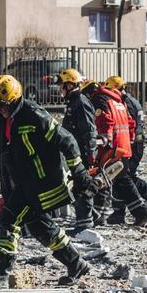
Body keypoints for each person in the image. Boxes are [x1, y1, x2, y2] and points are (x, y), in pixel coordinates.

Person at [0, 74, 94, 290]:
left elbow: (67, 140)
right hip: (24, 184)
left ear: (12, 100)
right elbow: (8, 155)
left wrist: (79, 171)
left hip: (41, 184)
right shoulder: (5, 118)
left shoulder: (33, 114)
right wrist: (7, 188)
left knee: (7, 222)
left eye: (0, 105)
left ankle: (1, 276)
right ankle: (76, 263)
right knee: (40, 226)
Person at [85, 80, 147, 226]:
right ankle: (138, 212)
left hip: (111, 148)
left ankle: (101, 215)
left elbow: (105, 121)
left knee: (104, 178)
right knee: (119, 180)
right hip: (124, 145)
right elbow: (130, 122)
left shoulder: (98, 100)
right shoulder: (117, 101)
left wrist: (104, 140)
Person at [103, 76, 147, 218]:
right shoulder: (131, 101)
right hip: (134, 144)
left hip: (131, 145)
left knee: (123, 178)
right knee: (122, 177)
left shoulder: (124, 102)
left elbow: (129, 126)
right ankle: (120, 211)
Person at [57, 68, 99, 233]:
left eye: (62, 86)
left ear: (69, 84)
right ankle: (91, 216)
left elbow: (89, 130)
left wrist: (90, 154)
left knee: (82, 186)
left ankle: (85, 224)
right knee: (75, 186)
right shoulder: (73, 102)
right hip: (74, 152)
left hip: (81, 152)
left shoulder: (80, 102)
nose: (60, 89)